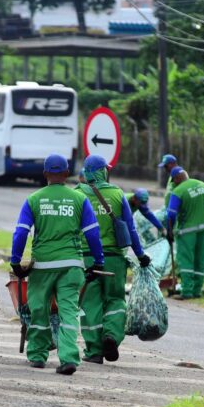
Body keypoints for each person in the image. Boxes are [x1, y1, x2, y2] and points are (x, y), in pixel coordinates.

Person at [11, 154, 105, 376]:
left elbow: (21, 232)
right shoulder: (79, 199)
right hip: (71, 265)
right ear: (66, 174)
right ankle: (69, 357)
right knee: (69, 312)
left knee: (38, 310)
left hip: (42, 266)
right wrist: (98, 261)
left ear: (44, 174)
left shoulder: (34, 199)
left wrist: (16, 261)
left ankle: (37, 355)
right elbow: (93, 233)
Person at [76, 155, 150, 365]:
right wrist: (141, 254)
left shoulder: (77, 195)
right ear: (102, 171)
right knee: (116, 300)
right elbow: (131, 229)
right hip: (115, 259)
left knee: (90, 304)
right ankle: (112, 336)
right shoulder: (118, 194)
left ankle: (94, 351)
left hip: (87, 258)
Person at [165, 167, 204, 300]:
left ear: (178, 178)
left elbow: (171, 214)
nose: (173, 184)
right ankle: (197, 291)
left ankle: (186, 291)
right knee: (200, 259)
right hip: (203, 229)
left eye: (174, 181)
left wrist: (169, 231)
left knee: (186, 260)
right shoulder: (201, 184)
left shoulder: (178, 191)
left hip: (186, 231)